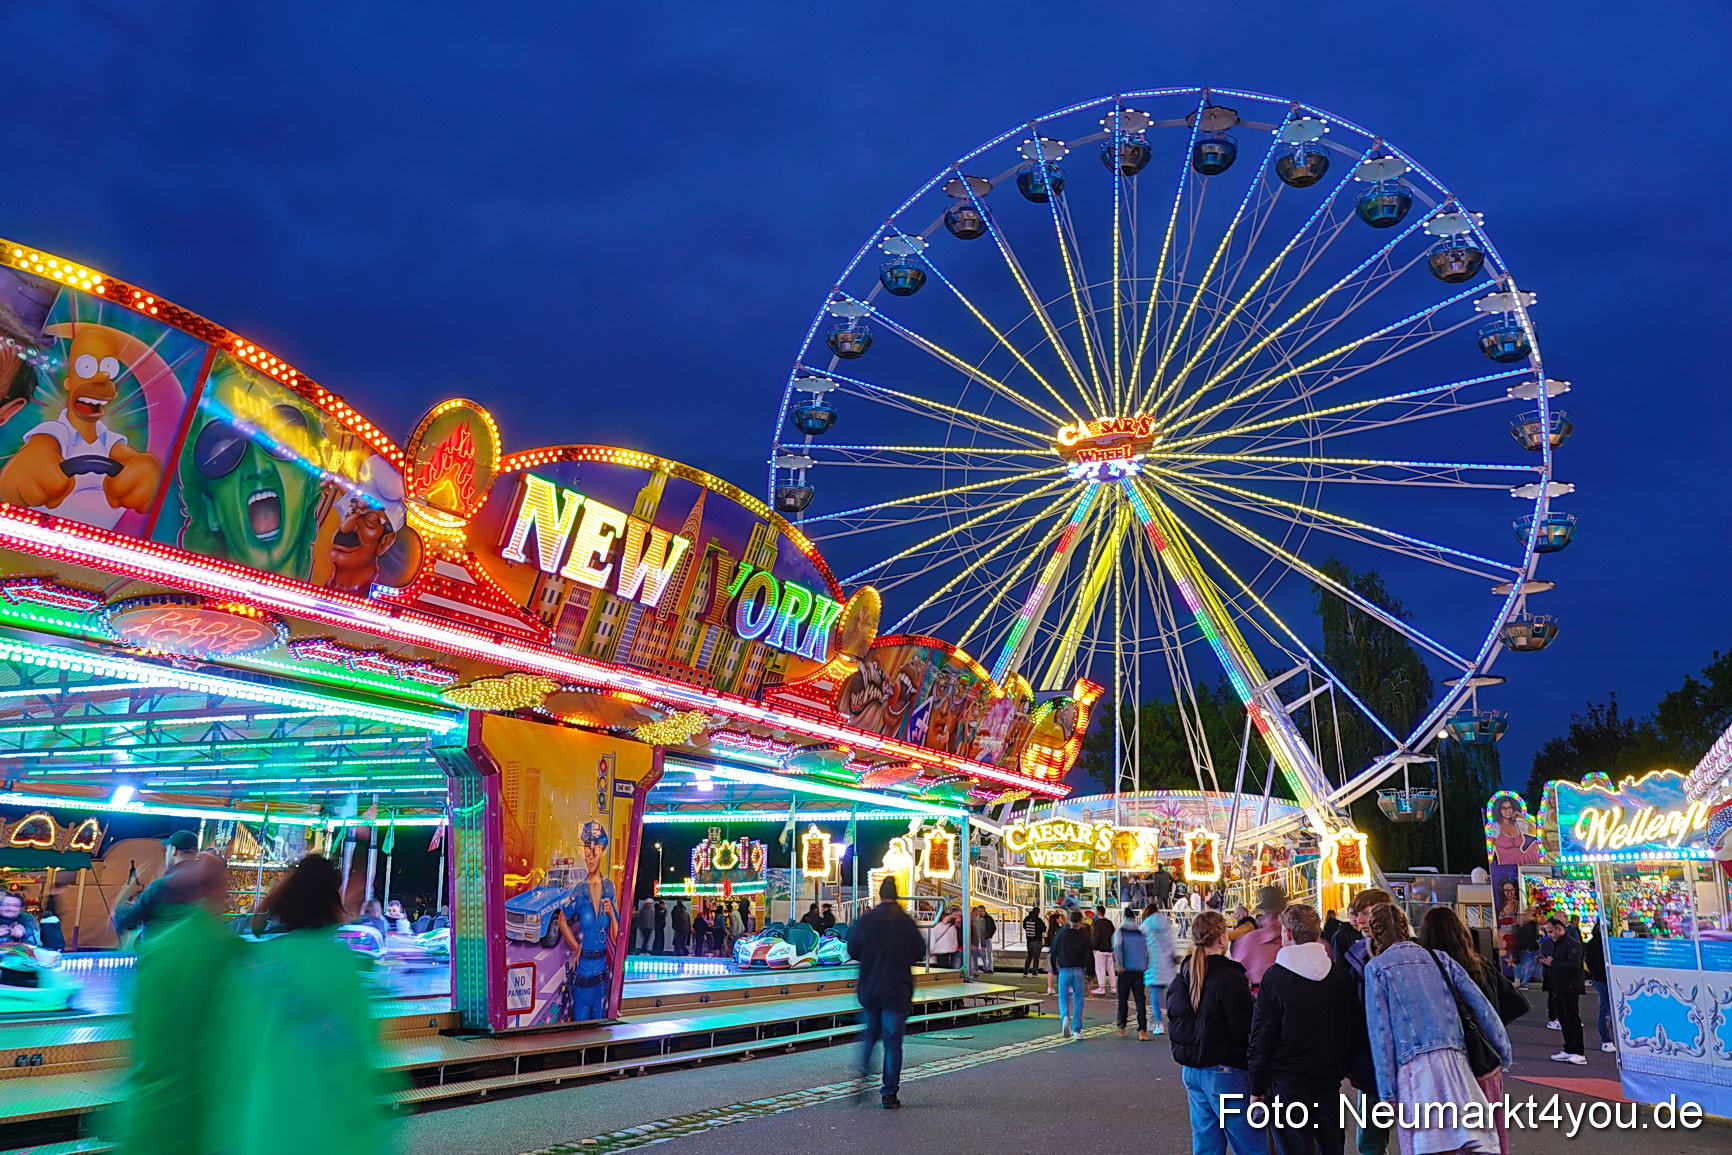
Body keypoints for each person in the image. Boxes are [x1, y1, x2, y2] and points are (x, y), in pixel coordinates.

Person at [218, 855, 395, 1155]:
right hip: (325, 1129)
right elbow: (356, 1059)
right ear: (332, 901)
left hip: (264, 1125)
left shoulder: (255, 964)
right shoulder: (344, 966)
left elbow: (232, 1054)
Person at [110, 854, 240, 1155]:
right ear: (211, 892)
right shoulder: (225, 950)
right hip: (195, 1116)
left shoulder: (160, 947)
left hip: (147, 1111)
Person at [1363, 903, 1511, 1155]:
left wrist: (1387, 1094)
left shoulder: (1377, 968)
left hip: (1414, 1070)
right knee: (1468, 1140)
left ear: (1375, 934)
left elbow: (1381, 1035)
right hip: (1456, 1062)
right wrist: (1503, 1050)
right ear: (1405, 927)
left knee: (1425, 1144)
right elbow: (1481, 1007)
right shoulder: (1439, 958)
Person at [1248, 904, 1366, 1155]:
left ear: (1288, 934)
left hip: (1286, 1079)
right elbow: (1354, 1028)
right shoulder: (1338, 976)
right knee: (1331, 1148)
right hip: (1328, 1079)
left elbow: (1262, 1035)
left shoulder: (1276, 977)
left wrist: (1256, 1086)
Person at [1167, 910, 1260, 1155]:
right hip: (1226, 1071)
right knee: (1251, 1144)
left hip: (1193, 1071)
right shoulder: (1230, 978)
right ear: (1222, 938)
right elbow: (1245, 1031)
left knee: (1207, 1145)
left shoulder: (1182, 978)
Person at [847, 877, 926, 1110]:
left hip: (870, 986)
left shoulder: (866, 920)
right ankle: (889, 1093)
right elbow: (919, 952)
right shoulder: (905, 922)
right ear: (897, 894)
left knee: (870, 1033)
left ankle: (863, 1071)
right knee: (893, 1043)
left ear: (879, 895)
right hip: (897, 988)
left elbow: (852, 948)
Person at [1338, 888, 1393, 1155]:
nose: (1358, 919)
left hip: (1392, 1049)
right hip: (1369, 1051)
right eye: (1356, 913)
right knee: (1370, 1135)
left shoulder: (1399, 955)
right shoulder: (1356, 953)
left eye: (1365, 912)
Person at [113, 831, 202, 942]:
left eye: (166, 850)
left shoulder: (162, 886)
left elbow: (130, 918)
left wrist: (123, 910)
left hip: (165, 950)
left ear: (173, 851)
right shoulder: (205, 883)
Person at [1546, 917, 1586, 1064]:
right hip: (1560, 986)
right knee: (1563, 1018)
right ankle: (1569, 1049)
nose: (1549, 935)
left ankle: (1579, 1052)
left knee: (1572, 1019)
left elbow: (1575, 965)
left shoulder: (1572, 944)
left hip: (1570, 986)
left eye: (1550, 931)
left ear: (1559, 929)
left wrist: (1554, 962)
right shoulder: (1559, 944)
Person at [1229, 887, 1286, 986]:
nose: (1270, 921)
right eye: (1267, 914)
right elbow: (1234, 976)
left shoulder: (1298, 942)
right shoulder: (1250, 941)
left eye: (1276, 916)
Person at [1049, 908, 1091, 1039]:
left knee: (1063, 997)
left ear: (1069, 920)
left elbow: (1053, 952)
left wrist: (1055, 969)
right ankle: (1077, 1030)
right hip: (1078, 970)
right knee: (1078, 999)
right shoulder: (1084, 936)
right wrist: (1091, 975)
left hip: (1064, 969)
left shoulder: (1061, 935)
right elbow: (1088, 956)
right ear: (1081, 921)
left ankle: (1065, 1017)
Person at [1112, 906, 1151, 1040]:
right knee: (1140, 1000)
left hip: (1126, 969)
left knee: (1123, 999)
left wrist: (1120, 963)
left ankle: (1122, 1027)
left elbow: (1117, 946)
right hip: (1139, 969)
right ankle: (1142, 1030)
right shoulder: (1140, 932)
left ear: (1124, 917)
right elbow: (1147, 950)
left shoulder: (1120, 931)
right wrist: (1145, 964)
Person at [1142, 904, 1178, 1037]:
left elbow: (1143, 947)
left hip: (1153, 964)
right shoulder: (1165, 923)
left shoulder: (1145, 925)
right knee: (1170, 996)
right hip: (1167, 963)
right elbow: (1171, 943)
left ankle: (1158, 1023)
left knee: (1155, 995)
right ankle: (1174, 1021)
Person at [1584, 920, 1614, 1052]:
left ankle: (1608, 1039)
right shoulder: (1595, 944)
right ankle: (1606, 1040)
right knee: (1605, 1009)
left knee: (1609, 1009)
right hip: (1603, 979)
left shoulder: (1607, 941)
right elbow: (1594, 964)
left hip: (1607, 978)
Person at [1090, 905, 1116, 996]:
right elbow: (1113, 936)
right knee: (1110, 968)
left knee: (1100, 969)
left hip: (1100, 950)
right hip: (1109, 949)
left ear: (1098, 913)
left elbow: (1096, 936)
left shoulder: (1097, 923)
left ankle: (1102, 987)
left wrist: (1094, 947)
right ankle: (1113, 987)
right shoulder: (1109, 923)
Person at [1511, 909, 1541, 988]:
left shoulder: (1532, 926)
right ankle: (1519, 981)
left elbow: (1531, 938)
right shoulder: (1524, 927)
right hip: (1522, 948)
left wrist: (1529, 947)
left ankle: (1523, 982)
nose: (1522, 918)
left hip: (1529, 949)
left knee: (1528, 966)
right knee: (1521, 965)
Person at [971, 905, 996, 973]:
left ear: (984, 911)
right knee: (984, 953)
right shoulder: (979, 919)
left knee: (988, 952)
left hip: (987, 938)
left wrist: (989, 934)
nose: (979, 912)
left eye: (981, 911)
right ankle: (986, 967)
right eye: (979, 911)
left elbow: (993, 927)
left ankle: (989, 967)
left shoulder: (988, 918)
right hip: (982, 938)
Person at [1021, 906, 1045, 976]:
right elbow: (1043, 928)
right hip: (1037, 940)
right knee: (1036, 957)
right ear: (1038, 912)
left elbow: (1024, 926)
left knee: (1029, 956)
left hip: (1029, 940)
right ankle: (1034, 972)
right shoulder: (1038, 920)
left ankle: (1025, 971)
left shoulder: (1026, 919)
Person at [1044, 910, 1063, 995]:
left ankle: (1049, 987)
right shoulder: (1060, 930)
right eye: (1059, 918)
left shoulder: (1050, 930)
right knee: (1061, 970)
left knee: (1050, 971)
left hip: (1051, 952)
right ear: (1056, 919)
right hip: (1059, 953)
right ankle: (1062, 987)